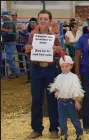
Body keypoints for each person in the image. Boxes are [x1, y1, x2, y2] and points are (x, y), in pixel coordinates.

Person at [25, 10, 63, 139]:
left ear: (50, 21)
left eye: (45, 19)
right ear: (38, 20)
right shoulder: (32, 35)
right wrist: (27, 49)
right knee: (36, 100)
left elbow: (60, 52)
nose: (43, 21)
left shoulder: (55, 36)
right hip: (36, 68)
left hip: (50, 69)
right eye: (41, 18)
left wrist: (58, 50)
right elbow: (28, 50)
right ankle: (36, 129)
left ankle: (54, 129)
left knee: (52, 99)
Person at [49, 55, 84, 140]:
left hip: (70, 102)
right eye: (62, 66)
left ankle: (79, 134)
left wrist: (76, 101)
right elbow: (55, 86)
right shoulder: (59, 77)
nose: (64, 68)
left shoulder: (74, 77)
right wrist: (55, 89)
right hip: (60, 102)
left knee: (74, 119)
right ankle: (63, 135)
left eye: (66, 66)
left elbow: (76, 89)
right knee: (62, 121)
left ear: (71, 66)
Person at [1, 11, 20, 78]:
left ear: (5, 16)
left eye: (2, 16)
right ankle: (14, 72)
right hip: (7, 41)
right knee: (9, 58)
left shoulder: (10, 22)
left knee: (9, 58)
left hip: (10, 42)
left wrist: (1, 29)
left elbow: (10, 31)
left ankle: (16, 72)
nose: (1, 18)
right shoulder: (5, 23)